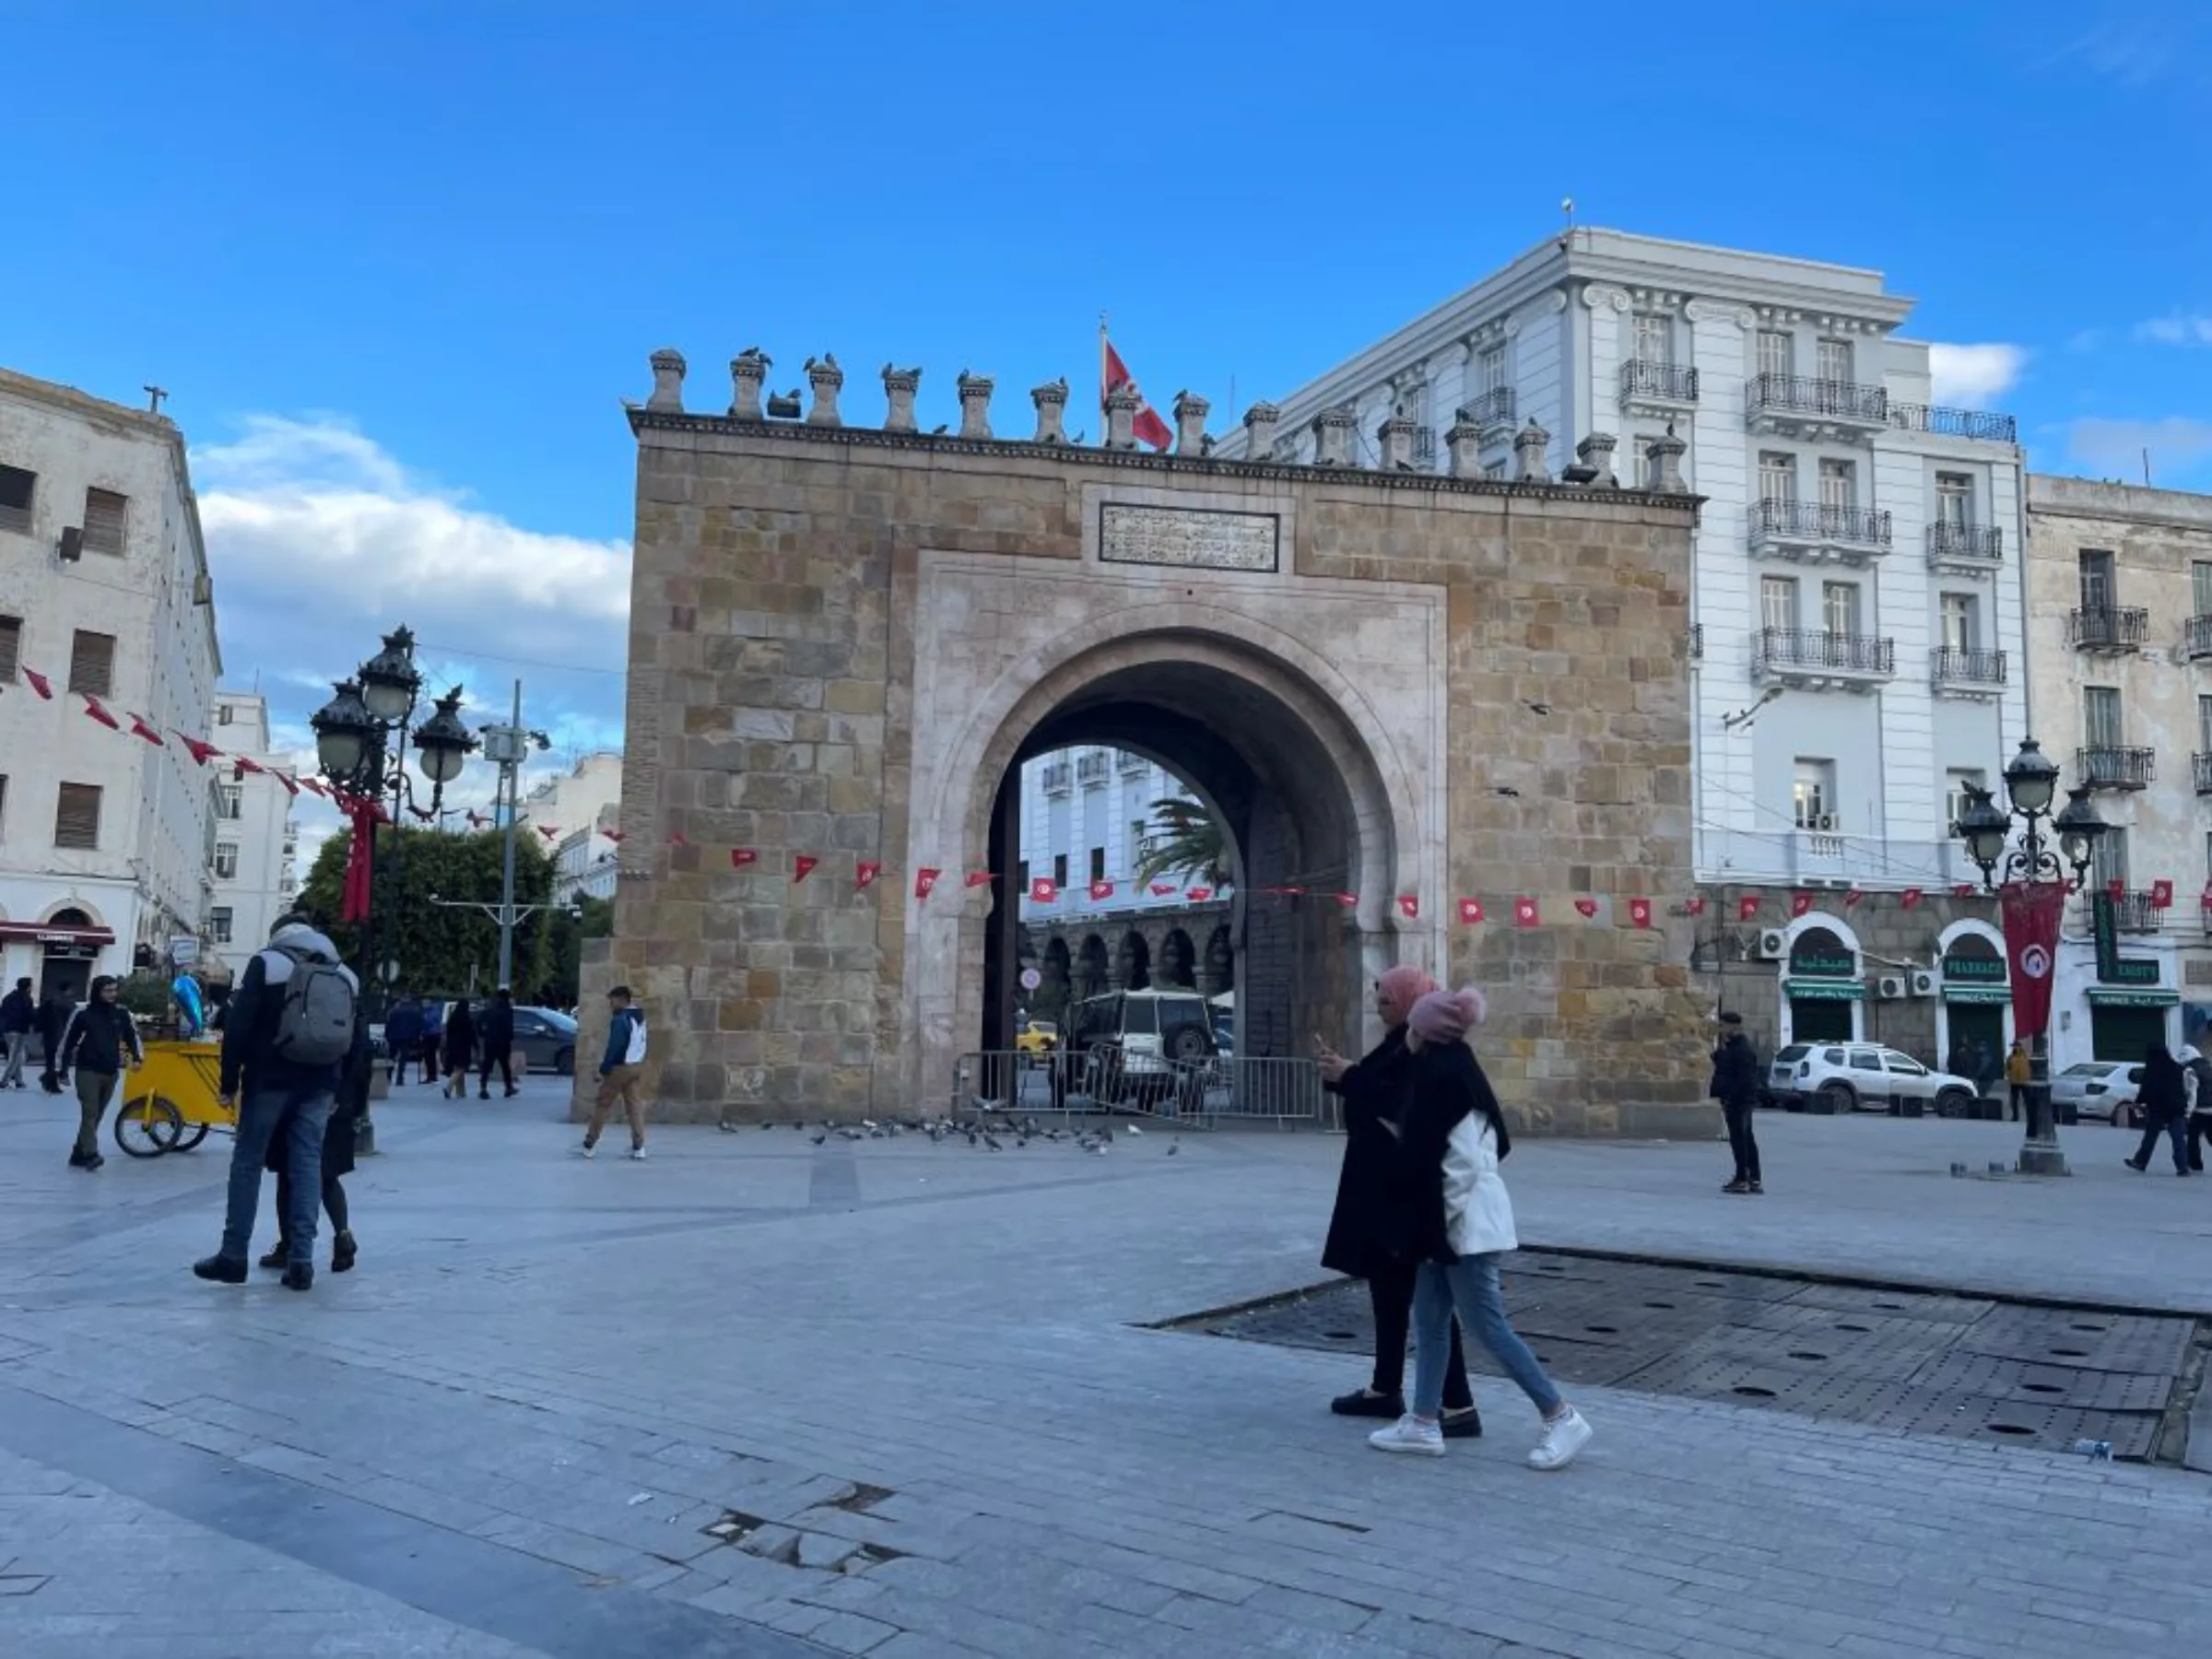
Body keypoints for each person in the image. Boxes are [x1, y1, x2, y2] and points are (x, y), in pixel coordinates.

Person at [1366, 986, 1592, 1470]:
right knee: (1429, 1321)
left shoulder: (1445, 1077)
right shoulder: (1450, 1070)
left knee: (1487, 1324)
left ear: (1425, 1032)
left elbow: (1464, 1162)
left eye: (1412, 1028)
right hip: (1443, 1227)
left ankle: (1560, 1414)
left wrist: (1435, 1225)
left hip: (1461, 1227)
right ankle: (1424, 1422)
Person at [1315, 966, 1480, 1438]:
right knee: (1389, 1290)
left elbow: (1401, 1104)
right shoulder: (1398, 1042)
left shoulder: (1428, 1049)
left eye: (1386, 1000)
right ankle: (1386, 1387)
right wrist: (1341, 1075)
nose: (1379, 1007)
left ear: (1412, 1002)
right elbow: (1373, 1088)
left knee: (1430, 1301)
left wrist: (1351, 1077)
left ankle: (1458, 1405)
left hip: (1405, 1191)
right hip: (1381, 1187)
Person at [194, 912, 362, 1291]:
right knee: (307, 1165)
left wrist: (228, 1080)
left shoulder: (266, 962)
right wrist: (342, 1090)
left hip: (268, 1080)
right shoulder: (345, 974)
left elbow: (239, 1025)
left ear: (278, 935)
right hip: (321, 1083)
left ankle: (233, 1255)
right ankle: (301, 1261)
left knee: (248, 1162)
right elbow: (356, 1038)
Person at [259, 1015, 367, 1275]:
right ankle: (343, 1236)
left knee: (288, 1171)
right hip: (338, 1094)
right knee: (327, 1173)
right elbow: (362, 1051)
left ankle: (288, 1243)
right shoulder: (347, 993)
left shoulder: (295, 986)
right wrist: (352, 1101)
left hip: (297, 1093)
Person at [56, 975, 143, 1170]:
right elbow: (68, 1043)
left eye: (114, 990)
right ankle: (92, 1153)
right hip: (88, 1071)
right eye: (107, 990)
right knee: (90, 1113)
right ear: (97, 991)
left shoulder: (121, 1014)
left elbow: (132, 1036)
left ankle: (79, 1153)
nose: (112, 994)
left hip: (111, 1072)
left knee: (97, 1116)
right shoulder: (83, 1014)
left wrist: (137, 1057)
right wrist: (61, 1070)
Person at [578, 984, 650, 1159]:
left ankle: (590, 1143)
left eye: (612, 1000)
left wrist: (605, 1068)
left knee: (603, 1103)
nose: (610, 1004)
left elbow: (615, 1046)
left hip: (620, 1067)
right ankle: (639, 1146)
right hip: (636, 1065)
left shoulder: (621, 1019)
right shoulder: (639, 1017)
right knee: (634, 1106)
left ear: (621, 1000)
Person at [1711, 1011, 1762, 1194]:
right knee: (1746, 1138)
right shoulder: (1732, 1047)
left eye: (1723, 1026)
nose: (1721, 1030)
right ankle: (1753, 1178)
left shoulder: (1742, 1049)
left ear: (1733, 1027)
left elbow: (1744, 1078)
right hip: (1738, 1100)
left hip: (1739, 1101)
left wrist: (1731, 1096)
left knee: (1740, 1140)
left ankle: (1743, 1178)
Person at [2124, 1042, 2191, 1177]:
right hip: (2176, 1108)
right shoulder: (2178, 1068)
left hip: (2158, 1109)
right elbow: (2184, 1088)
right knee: (2178, 1138)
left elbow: (2147, 1089)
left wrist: (2138, 1102)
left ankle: (2140, 1162)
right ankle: (2182, 1167)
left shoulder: (2152, 1069)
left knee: (2150, 1136)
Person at [478, 987, 519, 1099]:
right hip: (503, 1042)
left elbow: (478, 1023)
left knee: (487, 1065)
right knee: (505, 1066)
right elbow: (509, 1028)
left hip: (490, 1041)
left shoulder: (489, 1011)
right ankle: (508, 1087)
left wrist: (484, 1034)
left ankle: (483, 1088)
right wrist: (510, 1038)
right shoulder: (508, 1011)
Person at [37, 987, 74, 1092]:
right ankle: (51, 1082)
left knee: (51, 1062)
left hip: (49, 1036)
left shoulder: (48, 1003)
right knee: (58, 1062)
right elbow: (70, 1021)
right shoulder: (66, 1004)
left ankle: (49, 1082)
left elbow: (39, 1020)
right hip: (59, 1036)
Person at [0, 976, 33, 1089]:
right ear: (27, 987)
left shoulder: (7, 998)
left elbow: (2, 1014)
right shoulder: (27, 999)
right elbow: (29, 1015)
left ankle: (19, 1081)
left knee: (16, 1055)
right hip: (19, 1030)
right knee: (14, 1057)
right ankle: (4, 1081)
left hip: (7, 1030)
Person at [384, 991, 424, 1087]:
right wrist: (417, 1036)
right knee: (403, 1058)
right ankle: (400, 1078)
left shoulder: (394, 1010)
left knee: (391, 1057)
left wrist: (387, 1035)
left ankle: (388, 1077)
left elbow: (389, 1024)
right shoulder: (415, 1010)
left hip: (394, 1037)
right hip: (407, 1036)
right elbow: (419, 1024)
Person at [440, 998, 477, 1098]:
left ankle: (461, 1092)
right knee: (460, 1068)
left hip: (452, 1046)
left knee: (458, 1068)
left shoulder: (452, 1018)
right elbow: (471, 1034)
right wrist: (475, 1046)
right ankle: (449, 1087)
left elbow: (448, 1032)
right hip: (464, 1047)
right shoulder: (467, 1019)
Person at [418, 995, 444, 1085]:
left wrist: (423, 1022)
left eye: (425, 1003)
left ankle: (432, 1076)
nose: (424, 1005)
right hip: (426, 1034)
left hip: (433, 1035)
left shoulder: (434, 1011)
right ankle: (430, 1075)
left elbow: (430, 1022)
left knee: (431, 1056)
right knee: (428, 1056)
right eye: (423, 1003)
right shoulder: (425, 1012)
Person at [2005, 1040, 2031, 1123]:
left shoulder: (2025, 1056)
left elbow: (2029, 1067)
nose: (2014, 1048)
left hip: (2024, 1081)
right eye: (2014, 1046)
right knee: (2014, 1100)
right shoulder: (2011, 1057)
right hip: (2014, 1082)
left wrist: (2028, 1077)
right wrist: (2009, 1075)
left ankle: (2029, 1116)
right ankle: (2015, 1116)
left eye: (2016, 1046)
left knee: (2027, 1100)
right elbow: (2007, 1067)